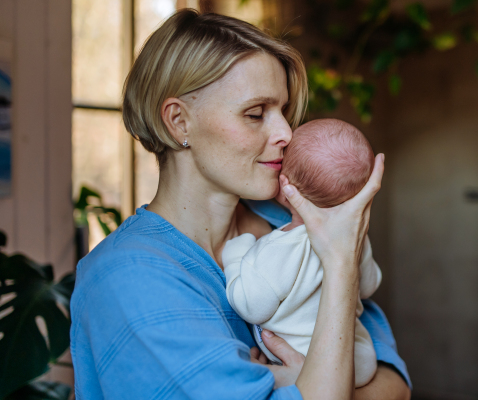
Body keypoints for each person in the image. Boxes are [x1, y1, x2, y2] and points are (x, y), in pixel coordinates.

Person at [69, 9, 412, 400]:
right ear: (179, 122)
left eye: (283, 111)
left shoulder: (290, 219)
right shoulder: (129, 278)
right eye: (255, 114)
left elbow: (395, 382)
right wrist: (329, 378)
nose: (286, 132)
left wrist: (308, 383)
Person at [223, 119, 381, 388]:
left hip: (310, 362)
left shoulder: (281, 247)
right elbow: (369, 285)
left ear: (286, 191)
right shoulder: (354, 238)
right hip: (361, 359)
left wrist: (236, 253)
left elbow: (252, 305)